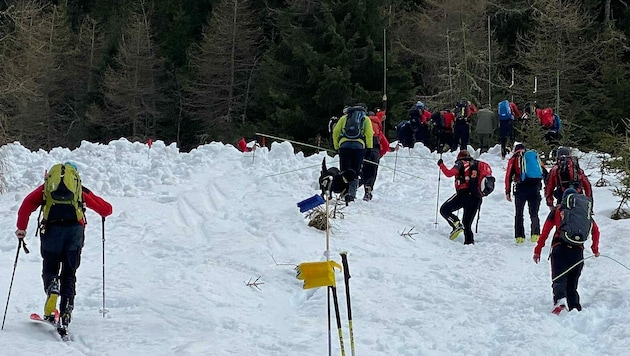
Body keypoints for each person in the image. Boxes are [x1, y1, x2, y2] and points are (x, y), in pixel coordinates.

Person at [15, 162, 113, 336]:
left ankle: (52, 287)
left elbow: (26, 204)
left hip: (51, 232)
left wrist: (21, 228)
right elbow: (106, 209)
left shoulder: (46, 188)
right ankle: (66, 311)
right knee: (69, 274)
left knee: (50, 269)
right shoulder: (79, 189)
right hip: (74, 233)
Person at [533, 188, 600, 314]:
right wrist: (595, 249)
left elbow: (545, 231)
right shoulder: (584, 213)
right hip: (578, 252)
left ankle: (560, 300)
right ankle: (575, 307)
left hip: (560, 248)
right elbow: (596, 231)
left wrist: (538, 250)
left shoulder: (557, 210)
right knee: (572, 283)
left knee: (559, 279)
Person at [505, 143, 548, 244]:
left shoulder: (515, 158)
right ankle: (535, 234)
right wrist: (546, 188)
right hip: (535, 188)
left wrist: (508, 191)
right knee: (534, 213)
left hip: (521, 188)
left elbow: (508, 176)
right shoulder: (534, 157)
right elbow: (545, 172)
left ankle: (519, 236)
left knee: (519, 213)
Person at [437, 150, 481, 245]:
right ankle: (469, 243)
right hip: (476, 196)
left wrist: (441, 165)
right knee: (467, 223)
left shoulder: (461, 163)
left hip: (463, 194)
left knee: (444, 210)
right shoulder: (476, 164)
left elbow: (449, 173)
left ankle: (456, 223)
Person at [333, 104, 374, 203]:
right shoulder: (365, 119)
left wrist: (336, 146)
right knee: (355, 171)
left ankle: (344, 192)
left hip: (344, 146)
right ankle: (351, 195)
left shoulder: (344, 118)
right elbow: (369, 134)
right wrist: (369, 148)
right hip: (359, 147)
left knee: (344, 170)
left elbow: (336, 132)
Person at [361, 109, 389, 201]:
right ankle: (369, 189)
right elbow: (386, 145)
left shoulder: (363, 123)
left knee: (365, 171)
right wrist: (380, 154)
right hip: (375, 151)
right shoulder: (377, 127)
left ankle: (363, 186)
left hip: (364, 150)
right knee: (373, 172)